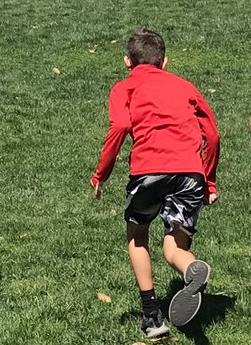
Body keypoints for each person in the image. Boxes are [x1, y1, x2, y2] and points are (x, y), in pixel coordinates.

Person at [91, 29, 220, 340]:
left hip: (149, 171)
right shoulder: (185, 85)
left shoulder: (124, 87)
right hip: (190, 173)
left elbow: (121, 125)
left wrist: (101, 174)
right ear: (165, 61)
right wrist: (210, 181)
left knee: (137, 234)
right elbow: (213, 135)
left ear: (127, 61)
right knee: (174, 247)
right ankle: (190, 268)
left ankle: (152, 317)